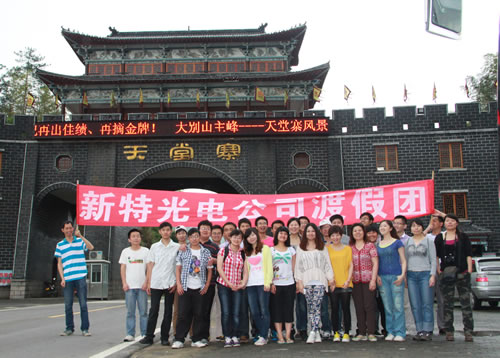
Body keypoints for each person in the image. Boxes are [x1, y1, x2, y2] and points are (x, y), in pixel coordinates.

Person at [434, 214, 474, 342]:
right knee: (447, 303)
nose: (449, 223)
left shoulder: (463, 237)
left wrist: (469, 270)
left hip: (462, 272)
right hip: (446, 273)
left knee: (465, 303)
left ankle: (468, 331)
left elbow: (468, 254)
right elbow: (436, 255)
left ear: (457, 223)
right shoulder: (440, 237)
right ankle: (449, 331)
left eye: (452, 221)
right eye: (447, 221)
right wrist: (438, 270)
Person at [172, 228, 213, 349]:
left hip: (200, 288)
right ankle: (179, 339)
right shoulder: (184, 251)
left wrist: (206, 285)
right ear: (188, 238)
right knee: (183, 314)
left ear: (199, 237)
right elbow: (178, 269)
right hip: (185, 287)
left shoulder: (205, 252)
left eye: (196, 236)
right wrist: (179, 284)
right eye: (192, 237)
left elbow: (210, 270)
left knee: (199, 314)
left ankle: (196, 339)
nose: (194, 239)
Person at [295, 223, 335, 344]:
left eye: (313, 231)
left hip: (320, 281)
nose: (310, 233)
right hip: (306, 281)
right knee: (311, 307)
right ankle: (316, 331)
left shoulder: (322, 247)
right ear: (305, 233)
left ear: (316, 233)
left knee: (317, 306)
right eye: (308, 231)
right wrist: (299, 281)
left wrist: (331, 279)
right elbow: (298, 266)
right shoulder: (300, 248)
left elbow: (327, 264)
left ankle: (313, 331)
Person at [140, 222, 179, 346]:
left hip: (170, 282)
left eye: (168, 230)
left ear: (171, 231)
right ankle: (149, 336)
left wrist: (176, 282)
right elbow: (150, 264)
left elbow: (178, 266)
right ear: (160, 232)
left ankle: (164, 337)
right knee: (153, 310)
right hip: (156, 282)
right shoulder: (154, 246)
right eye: (163, 230)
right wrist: (148, 282)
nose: (166, 232)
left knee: (168, 311)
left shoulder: (176, 247)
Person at [55, 221, 94, 337]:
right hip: (68, 278)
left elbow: (91, 247)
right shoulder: (60, 245)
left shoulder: (79, 241)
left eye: (70, 228)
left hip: (80, 276)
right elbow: (59, 263)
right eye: (66, 228)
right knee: (68, 305)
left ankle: (85, 329)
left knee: (83, 304)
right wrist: (62, 278)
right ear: (62, 230)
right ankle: (69, 328)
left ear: (73, 229)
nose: (69, 230)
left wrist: (80, 236)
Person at [405, 219, 436, 341]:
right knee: (415, 304)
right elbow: (405, 260)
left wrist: (432, 275)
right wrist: (406, 276)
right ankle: (419, 330)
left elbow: (433, 259)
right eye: (413, 226)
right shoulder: (408, 241)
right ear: (410, 229)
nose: (416, 228)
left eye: (418, 226)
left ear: (422, 228)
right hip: (411, 275)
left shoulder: (428, 241)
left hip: (425, 274)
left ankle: (428, 330)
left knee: (427, 303)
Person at [376, 220, 407, 342]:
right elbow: (377, 262)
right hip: (382, 277)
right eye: (381, 226)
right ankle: (390, 331)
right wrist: (377, 275)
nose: (382, 228)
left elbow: (403, 260)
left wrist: (402, 275)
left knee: (398, 306)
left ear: (390, 228)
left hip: (396, 276)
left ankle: (400, 332)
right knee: (387, 306)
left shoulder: (397, 243)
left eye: (385, 226)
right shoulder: (379, 244)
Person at [217, 229, 248, 348]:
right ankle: (227, 336)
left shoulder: (242, 253)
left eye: (239, 237)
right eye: (234, 237)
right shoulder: (223, 251)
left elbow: (245, 271)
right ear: (230, 238)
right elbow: (219, 268)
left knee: (236, 312)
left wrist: (243, 283)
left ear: (241, 239)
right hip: (224, 285)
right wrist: (229, 283)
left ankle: (235, 335)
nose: (236, 239)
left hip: (238, 286)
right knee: (226, 312)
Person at [243, 228, 273, 345]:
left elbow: (269, 266)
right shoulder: (246, 251)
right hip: (250, 284)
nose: (252, 237)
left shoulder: (265, 249)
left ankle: (264, 335)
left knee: (264, 310)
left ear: (257, 235)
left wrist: (268, 282)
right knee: (254, 311)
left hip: (262, 283)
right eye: (248, 236)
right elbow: (245, 269)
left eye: (253, 235)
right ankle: (263, 331)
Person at [119, 228, 149, 342]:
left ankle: (144, 333)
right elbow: (123, 268)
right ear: (129, 239)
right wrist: (124, 283)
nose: (136, 238)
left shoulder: (146, 251)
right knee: (130, 312)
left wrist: (146, 282)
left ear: (140, 238)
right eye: (133, 236)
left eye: (138, 236)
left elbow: (149, 268)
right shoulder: (125, 252)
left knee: (143, 312)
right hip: (129, 287)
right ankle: (130, 334)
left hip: (142, 286)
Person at [350, 223, 378, 342]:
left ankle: (371, 332)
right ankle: (361, 332)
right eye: (355, 231)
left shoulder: (370, 246)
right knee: (359, 307)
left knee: (369, 306)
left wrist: (373, 280)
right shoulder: (350, 247)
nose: (358, 232)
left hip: (368, 280)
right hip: (355, 281)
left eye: (360, 230)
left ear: (364, 232)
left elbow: (375, 263)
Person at [327, 225, 353, 343]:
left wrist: (348, 280)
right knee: (334, 308)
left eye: (337, 235)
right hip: (332, 283)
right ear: (330, 237)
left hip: (345, 283)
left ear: (341, 236)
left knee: (346, 308)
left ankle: (346, 332)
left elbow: (351, 264)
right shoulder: (327, 249)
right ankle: (336, 332)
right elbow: (326, 266)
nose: (335, 237)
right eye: (333, 235)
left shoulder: (347, 248)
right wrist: (330, 280)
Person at [270, 226, 296, 344]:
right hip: (276, 284)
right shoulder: (271, 250)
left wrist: (296, 281)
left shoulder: (291, 250)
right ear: (276, 235)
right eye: (281, 233)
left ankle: (288, 336)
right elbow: (269, 268)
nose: (283, 236)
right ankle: (280, 336)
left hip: (289, 283)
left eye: (285, 234)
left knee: (289, 310)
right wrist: (271, 283)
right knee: (277, 310)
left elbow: (294, 267)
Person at [197, 220, 219, 344]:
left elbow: (220, 261)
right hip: (193, 284)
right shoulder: (192, 244)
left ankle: (204, 336)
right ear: (199, 229)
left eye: (207, 228)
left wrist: (213, 260)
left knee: (205, 311)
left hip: (209, 284)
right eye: (203, 228)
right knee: (195, 311)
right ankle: (195, 335)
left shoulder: (215, 247)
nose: (205, 230)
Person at [426, 214, 446, 335]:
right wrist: (428, 228)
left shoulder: (445, 235)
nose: (432, 223)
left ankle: (443, 325)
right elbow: (417, 238)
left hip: (441, 270)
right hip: (427, 270)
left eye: (434, 221)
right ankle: (428, 327)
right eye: (431, 221)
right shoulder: (427, 236)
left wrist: (438, 212)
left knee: (442, 300)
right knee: (427, 301)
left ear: (441, 223)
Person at [287, 217, 306, 341]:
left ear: (299, 227)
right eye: (291, 225)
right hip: (286, 276)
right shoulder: (284, 238)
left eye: (296, 225)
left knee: (301, 304)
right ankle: (290, 328)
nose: (294, 227)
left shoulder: (304, 240)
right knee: (288, 304)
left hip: (302, 276)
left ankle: (302, 329)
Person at [366, 224, 385, 336]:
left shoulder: (381, 245)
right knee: (371, 305)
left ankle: (386, 328)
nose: (371, 235)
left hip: (382, 278)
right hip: (370, 279)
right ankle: (373, 328)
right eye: (369, 232)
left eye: (374, 232)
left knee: (383, 305)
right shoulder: (364, 246)